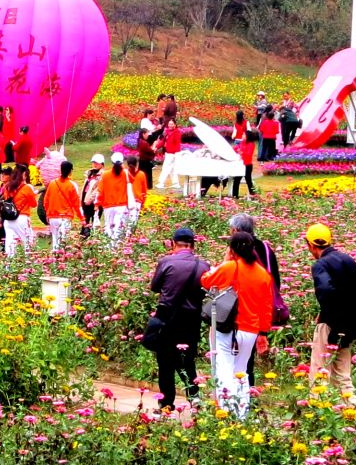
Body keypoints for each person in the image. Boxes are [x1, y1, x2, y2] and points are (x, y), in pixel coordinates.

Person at [199, 231, 275, 417]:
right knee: (242, 372)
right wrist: (263, 334)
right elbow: (267, 308)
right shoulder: (263, 274)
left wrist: (225, 261)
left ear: (232, 249)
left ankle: (225, 413)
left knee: (224, 369)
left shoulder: (231, 267)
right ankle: (242, 415)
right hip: (250, 331)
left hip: (227, 328)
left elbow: (206, 280)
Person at [147, 225, 209, 409]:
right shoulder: (204, 266)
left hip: (167, 317)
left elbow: (155, 287)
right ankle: (194, 397)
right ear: (193, 245)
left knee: (165, 361)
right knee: (187, 359)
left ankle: (166, 403)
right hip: (192, 319)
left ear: (173, 244)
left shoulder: (166, 262)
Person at [305, 223, 356, 401]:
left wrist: (325, 313)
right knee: (342, 372)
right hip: (350, 323)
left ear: (310, 245)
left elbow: (326, 293)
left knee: (320, 371)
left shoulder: (320, 265)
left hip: (330, 323)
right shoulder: (348, 260)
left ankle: (318, 410)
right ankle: (350, 409)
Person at [99, 154, 145, 242]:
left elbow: (100, 190)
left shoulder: (105, 175)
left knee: (108, 227)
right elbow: (132, 180)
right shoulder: (125, 173)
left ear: (112, 162)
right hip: (121, 205)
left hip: (108, 206)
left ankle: (109, 246)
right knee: (119, 227)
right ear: (122, 162)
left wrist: (98, 204)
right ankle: (118, 246)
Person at [0, 166, 38, 259]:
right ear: (23, 175)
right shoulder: (27, 187)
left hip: (8, 219)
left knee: (10, 245)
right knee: (28, 243)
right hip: (22, 218)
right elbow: (34, 204)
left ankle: (8, 268)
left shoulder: (7, 186)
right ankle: (30, 266)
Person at [45, 159, 83, 248]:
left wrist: (47, 213)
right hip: (65, 217)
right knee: (63, 242)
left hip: (53, 217)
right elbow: (76, 204)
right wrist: (82, 218)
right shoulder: (71, 185)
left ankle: (54, 260)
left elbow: (46, 201)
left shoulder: (52, 183)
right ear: (70, 171)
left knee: (55, 241)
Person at [231, 113, 258, 197]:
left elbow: (249, 154)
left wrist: (241, 152)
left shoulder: (251, 144)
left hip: (247, 165)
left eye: (243, 135)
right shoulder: (242, 142)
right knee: (237, 179)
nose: (242, 135)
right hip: (241, 164)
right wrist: (236, 150)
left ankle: (253, 195)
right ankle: (235, 195)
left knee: (248, 180)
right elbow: (236, 148)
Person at [83, 153, 105, 228]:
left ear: (102, 164)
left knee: (94, 219)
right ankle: (85, 233)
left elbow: (98, 189)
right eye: (93, 162)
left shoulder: (103, 175)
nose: (94, 164)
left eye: (97, 163)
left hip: (95, 200)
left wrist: (90, 199)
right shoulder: (90, 173)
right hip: (86, 198)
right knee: (86, 218)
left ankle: (92, 235)